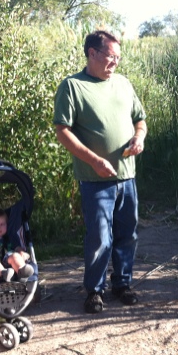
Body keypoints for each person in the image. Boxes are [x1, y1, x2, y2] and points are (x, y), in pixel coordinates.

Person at [53, 29, 147, 314]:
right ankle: (95, 291)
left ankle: (123, 284)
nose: (115, 62)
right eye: (111, 56)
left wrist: (139, 138)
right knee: (99, 238)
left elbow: (140, 120)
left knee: (127, 234)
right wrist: (93, 160)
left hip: (126, 177)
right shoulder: (72, 86)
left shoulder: (123, 84)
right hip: (95, 180)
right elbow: (62, 131)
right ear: (92, 53)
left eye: (118, 58)